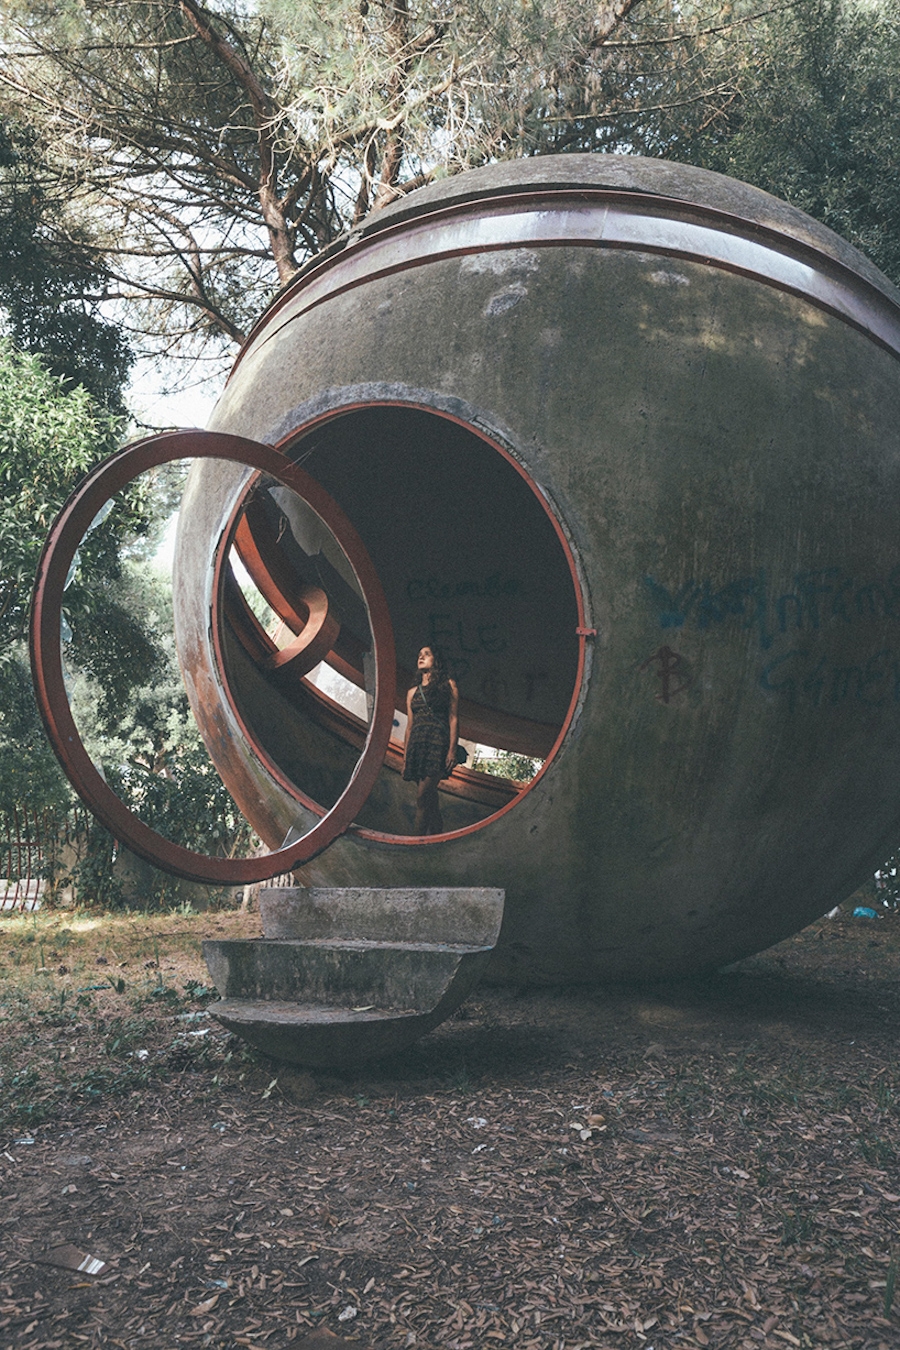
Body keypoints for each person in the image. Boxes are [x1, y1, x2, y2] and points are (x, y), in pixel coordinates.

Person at [403, 646, 459, 835]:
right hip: (417, 747)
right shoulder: (412, 692)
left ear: (437, 660)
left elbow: (453, 718)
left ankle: (415, 843)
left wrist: (451, 750)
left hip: (437, 745)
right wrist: (405, 757)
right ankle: (437, 830)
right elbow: (409, 726)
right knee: (428, 796)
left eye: (427, 654)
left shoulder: (448, 685)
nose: (421, 657)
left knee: (422, 796)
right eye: (419, 654)